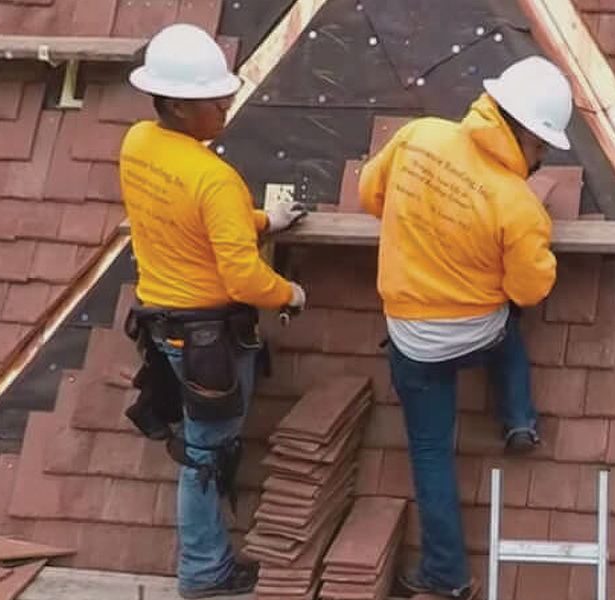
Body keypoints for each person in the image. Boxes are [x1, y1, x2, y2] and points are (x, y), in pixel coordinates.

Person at [358, 55, 572, 599]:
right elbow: (529, 289)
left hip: (413, 340)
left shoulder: (418, 135)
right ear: (521, 131)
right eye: (541, 146)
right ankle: (518, 418)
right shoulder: (518, 204)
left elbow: (370, 196)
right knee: (508, 326)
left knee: (430, 455)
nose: (541, 159)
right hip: (476, 333)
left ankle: (447, 577)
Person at [115, 22, 310, 599]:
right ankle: (204, 571)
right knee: (205, 453)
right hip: (209, 339)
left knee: (203, 445)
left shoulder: (138, 145)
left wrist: (261, 222)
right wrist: (290, 294)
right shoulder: (215, 177)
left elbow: (189, 215)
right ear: (177, 105)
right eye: (212, 100)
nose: (226, 104)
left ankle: (207, 564)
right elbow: (244, 276)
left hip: (164, 326)